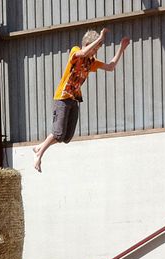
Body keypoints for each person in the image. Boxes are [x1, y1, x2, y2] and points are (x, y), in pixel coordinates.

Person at [33, 28, 130, 172]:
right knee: (58, 133)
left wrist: (121, 48)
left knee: (66, 138)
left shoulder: (91, 62)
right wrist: (100, 38)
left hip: (74, 100)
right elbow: (83, 52)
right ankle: (39, 155)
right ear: (87, 44)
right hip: (62, 97)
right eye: (95, 48)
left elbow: (110, 67)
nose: (95, 52)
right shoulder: (76, 51)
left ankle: (40, 146)